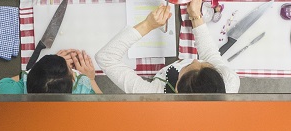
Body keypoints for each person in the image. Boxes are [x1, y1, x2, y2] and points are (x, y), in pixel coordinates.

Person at [94, 0, 240, 94]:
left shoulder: (153, 95)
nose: (195, 60)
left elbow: (106, 58)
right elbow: (210, 54)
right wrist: (195, 15)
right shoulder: (229, 81)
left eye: (187, 68)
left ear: (177, 88)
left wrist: (148, 25)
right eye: (206, 65)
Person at [0, 49, 103, 94]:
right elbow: (103, 109)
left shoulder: (5, 92)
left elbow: (15, 79)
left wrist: (50, 66)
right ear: (73, 79)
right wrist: (91, 79)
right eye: (70, 69)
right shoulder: (85, 94)